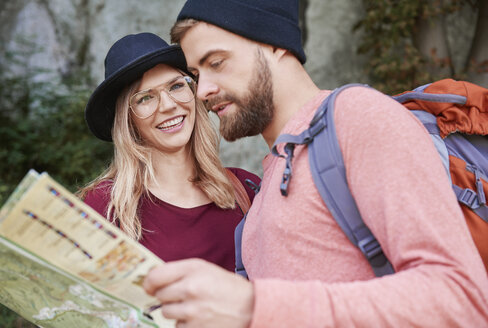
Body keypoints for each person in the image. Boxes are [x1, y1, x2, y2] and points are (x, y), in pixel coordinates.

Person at [142, 1, 488, 327]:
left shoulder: (357, 117)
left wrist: (255, 304)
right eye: (196, 74)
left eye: (216, 63)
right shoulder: (261, 194)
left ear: (275, 43)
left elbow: (464, 300)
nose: (203, 91)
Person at [81, 32, 260, 272]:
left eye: (176, 86)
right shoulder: (105, 209)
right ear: (128, 120)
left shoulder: (247, 190)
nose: (168, 105)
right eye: (145, 98)